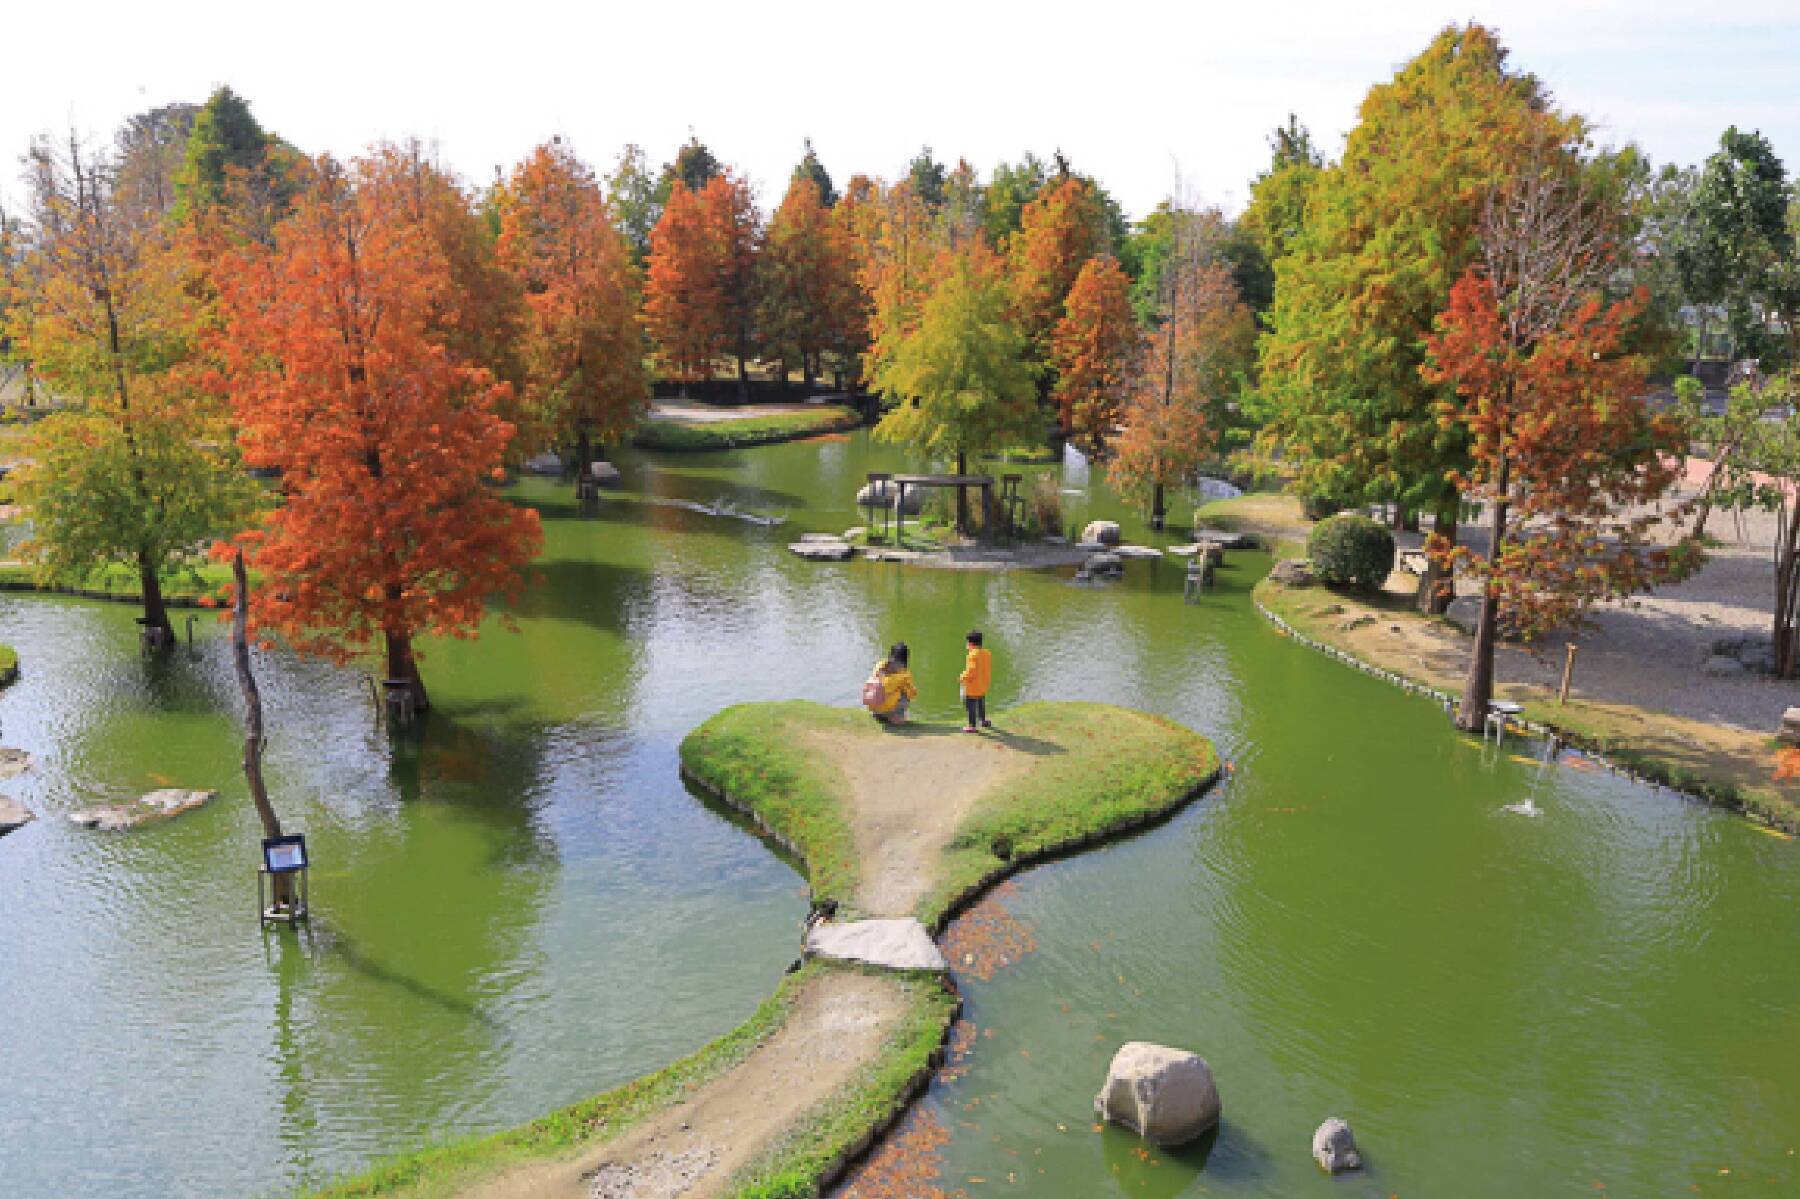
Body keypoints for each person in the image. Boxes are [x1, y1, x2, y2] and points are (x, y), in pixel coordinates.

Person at [866, 642, 918, 725]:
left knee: (886, 691)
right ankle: (893, 716)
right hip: (886, 708)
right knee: (906, 693)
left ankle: (880, 714)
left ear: (890, 656)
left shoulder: (879, 666)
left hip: (874, 708)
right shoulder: (904, 675)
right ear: (904, 662)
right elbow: (913, 694)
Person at [959, 629, 993, 732]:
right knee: (981, 703)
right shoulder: (987, 653)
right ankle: (983, 720)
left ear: (970, 643)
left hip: (973, 687)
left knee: (970, 706)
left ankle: (972, 726)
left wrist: (962, 677)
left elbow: (971, 672)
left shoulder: (972, 655)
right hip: (983, 684)